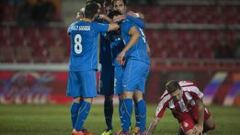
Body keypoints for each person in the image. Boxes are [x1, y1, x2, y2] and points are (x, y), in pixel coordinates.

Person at [66, 2, 119, 135]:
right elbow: (115, 26)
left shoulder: (73, 25)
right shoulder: (94, 26)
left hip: (73, 67)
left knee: (77, 98)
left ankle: (77, 128)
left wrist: (80, 18)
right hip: (87, 68)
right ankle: (77, 129)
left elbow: (70, 32)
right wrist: (105, 17)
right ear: (95, 14)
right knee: (88, 99)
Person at [112, 8, 150, 134]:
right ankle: (141, 129)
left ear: (118, 18)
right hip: (145, 61)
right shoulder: (136, 23)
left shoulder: (125, 23)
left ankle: (125, 130)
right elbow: (146, 45)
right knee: (139, 96)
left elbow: (136, 35)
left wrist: (123, 52)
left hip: (135, 59)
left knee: (127, 94)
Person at [147, 80, 216, 135]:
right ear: (169, 93)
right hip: (182, 114)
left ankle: (186, 130)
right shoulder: (164, 99)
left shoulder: (191, 88)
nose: (177, 98)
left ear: (180, 88)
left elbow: (200, 105)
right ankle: (186, 129)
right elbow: (155, 120)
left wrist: (200, 125)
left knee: (211, 126)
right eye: (174, 96)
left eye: (178, 94)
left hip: (194, 107)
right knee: (191, 134)